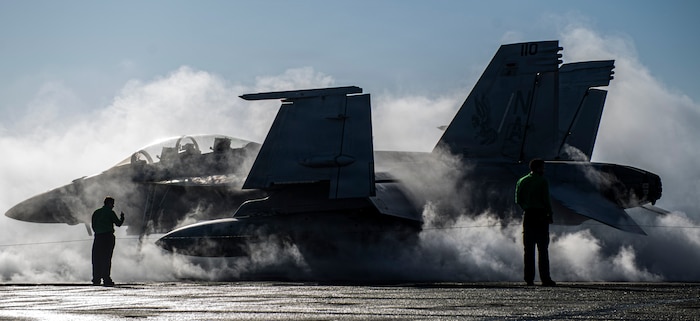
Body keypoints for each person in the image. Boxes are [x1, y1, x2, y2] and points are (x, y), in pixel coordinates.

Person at [515, 159, 556, 287]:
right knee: (543, 249)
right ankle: (545, 279)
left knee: (528, 249)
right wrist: (550, 214)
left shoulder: (522, 181)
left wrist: (527, 208)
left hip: (528, 215)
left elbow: (518, 199)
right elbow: (546, 199)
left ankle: (529, 279)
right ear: (538, 168)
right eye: (542, 168)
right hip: (541, 216)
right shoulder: (542, 181)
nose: (544, 170)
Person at [91, 196, 125, 286]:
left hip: (98, 237)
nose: (113, 206)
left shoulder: (96, 212)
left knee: (96, 258)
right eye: (112, 204)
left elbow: (93, 225)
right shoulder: (110, 212)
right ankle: (106, 279)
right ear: (109, 203)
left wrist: (98, 232)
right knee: (106, 258)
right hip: (108, 237)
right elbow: (118, 224)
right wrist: (122, 218)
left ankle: (96, 279)